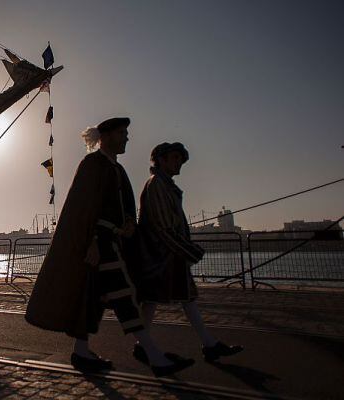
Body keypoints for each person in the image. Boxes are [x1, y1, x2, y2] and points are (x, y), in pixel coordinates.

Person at [25, 117, 194, 377]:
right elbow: (83, 207)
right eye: (122, 133)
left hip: (116, 242)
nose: (126, 137)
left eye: (126, 133)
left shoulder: (118, 169)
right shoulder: (92, 164)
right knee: (124, 294)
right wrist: (91, 241)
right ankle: (154, 356)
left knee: (94, 298)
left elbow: (126, 206)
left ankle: (81, 352)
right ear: (105, 136)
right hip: (100, 243)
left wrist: (129, 224)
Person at [131, 142, 243, 363]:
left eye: (180, 159)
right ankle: (206, 345)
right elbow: (163, 227)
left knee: (166, 299)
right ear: (161, 159)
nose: (179, 162)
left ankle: (204, 344)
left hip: (166, 254)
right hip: (161, 255)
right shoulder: (157, 185)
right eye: (174, 158)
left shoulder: (164, 185)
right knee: (168, 298)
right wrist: (188, 250)